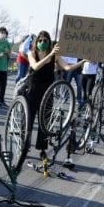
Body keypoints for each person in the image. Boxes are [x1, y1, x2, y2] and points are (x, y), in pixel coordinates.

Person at [25, 30, 85, 160]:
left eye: (45, 41)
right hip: (33, 89)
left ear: (49, 42)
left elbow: (67, 68)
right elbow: (35, 67)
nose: (42, 43)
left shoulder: (55, 56)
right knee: (29, 118)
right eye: (40, 40)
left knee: (44, 121)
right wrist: (50, 55)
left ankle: (42, 149)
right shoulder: (32, 53)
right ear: (36, 42)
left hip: (47, 91)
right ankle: (25, 143)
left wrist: (83, 61)